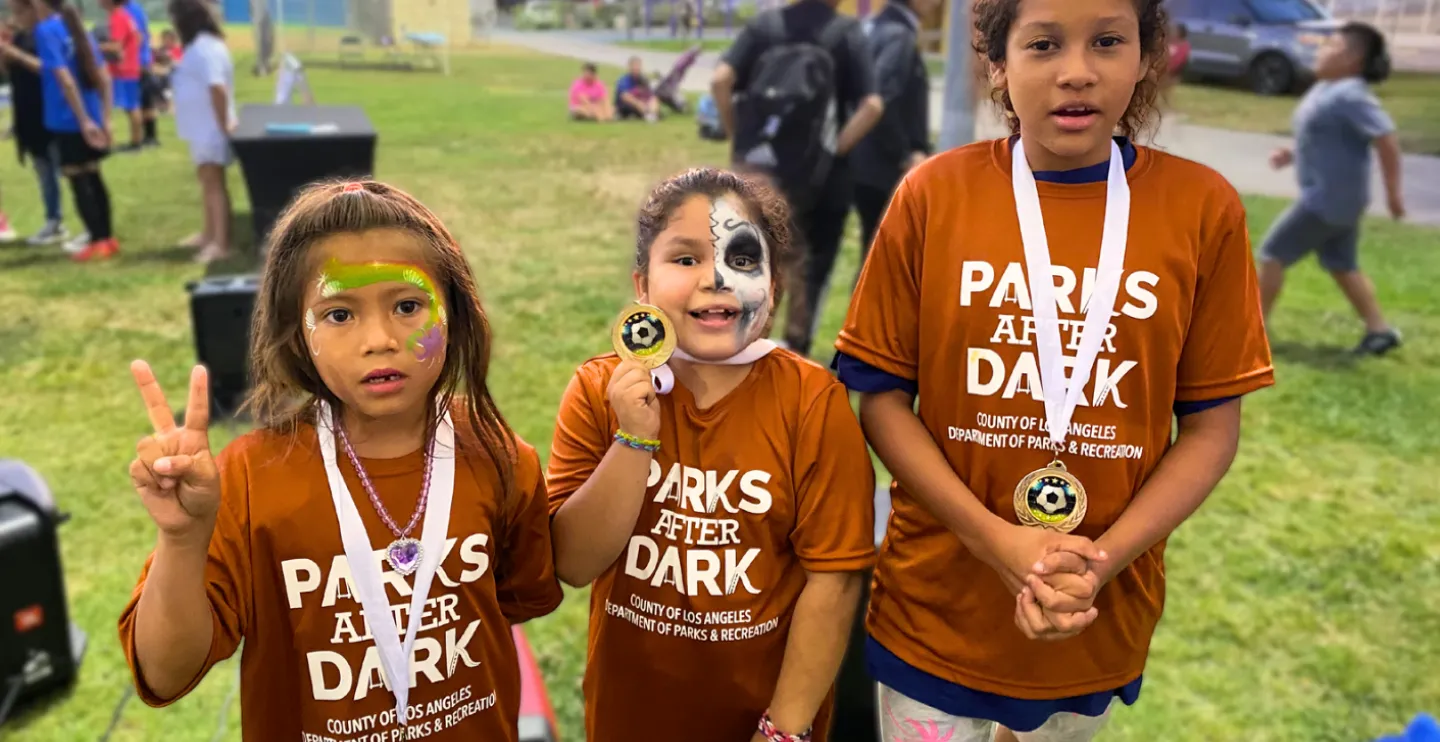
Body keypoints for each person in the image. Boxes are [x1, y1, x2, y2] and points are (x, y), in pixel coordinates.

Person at [833, 0, 1275, 740]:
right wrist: (994, 541)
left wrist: (1095, 565)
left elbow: (1209, 429)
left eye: (1108, 41)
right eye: (1043, 45)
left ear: (1144, 58)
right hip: (939, 602)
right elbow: (878, 399)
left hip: (1090, 611)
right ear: (999, 66)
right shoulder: (934, 196)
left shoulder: (1202, 209)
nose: (1077, 72)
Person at [116, 179, 564, 741]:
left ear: (455, 312)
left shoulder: (499, 456)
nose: (379, 339)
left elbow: (521, 598)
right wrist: (182, 541)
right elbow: (164, 672)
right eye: (339, 315)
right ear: (297, 336)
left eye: (407, 306)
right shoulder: (250, 477)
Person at [546, 168, 877, 742]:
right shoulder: (600, 390)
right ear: (642, 287)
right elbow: (573, 563)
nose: (717, 278)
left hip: (765, 717)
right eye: (685, 259)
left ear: (774, 287)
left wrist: (785, 727)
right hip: (632, 713)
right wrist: (633, 438)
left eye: (744, 260)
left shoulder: (811, 402)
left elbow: (835, 579)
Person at [711, 0, 884, 357]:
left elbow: (721, 80)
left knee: (752, 259)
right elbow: (872, 106)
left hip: (761, 173)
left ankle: (741, 345)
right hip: (822, 182)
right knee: (811, 269)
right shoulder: (844, 33)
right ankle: (795, 353)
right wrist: (834, 150)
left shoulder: (765, 27)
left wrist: (739, 142)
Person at [1258, 21, 1406, 356]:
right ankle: (1379, 331)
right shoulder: (1326, 89)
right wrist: (1291, 154)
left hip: (1327, 200)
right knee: (1341, 264)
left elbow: (1386, 139)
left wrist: (1394, 195)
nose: (1321, 51)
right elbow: (1324, 137)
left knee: (1272, 254)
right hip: (1337, 199)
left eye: (1332, 46)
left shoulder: (1352, 93)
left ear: (1354, 59)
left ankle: (1253, 331)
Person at [848, 0, 936, 285]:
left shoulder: (871, 26)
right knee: (882, 263)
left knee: (874, 256)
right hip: (883, 167)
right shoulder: (898, 34)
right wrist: (905, 155)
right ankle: (863, 327)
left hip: (861, 160)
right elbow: (883, 100)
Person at [35, 0, 116, 261]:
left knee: (78, 178)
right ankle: (107, 238)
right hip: (91, 113)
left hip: (68, 117)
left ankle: (96, 240)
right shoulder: (76, 25)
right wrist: (105, 117)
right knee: (94, 175)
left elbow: (65, 80)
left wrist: (82, 120)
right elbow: (103, 74)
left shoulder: (46, 30)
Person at [168, 0, 235, 264]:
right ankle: (209, 234)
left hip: (211, 129)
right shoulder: (199, 47)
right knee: (206, 182)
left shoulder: (207, 48)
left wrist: (222, 124)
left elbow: (217, 87)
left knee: (214, 184)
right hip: (201, 128)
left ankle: (221, 243)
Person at [0, 5, 67, 245]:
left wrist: (17, 55)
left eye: (19, 11)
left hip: (47, 112)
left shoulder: (46, 35)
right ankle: (53, 219)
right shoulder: (20, 36)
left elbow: (51, 70)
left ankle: (92, 227)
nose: (15, 17)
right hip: (27, 115)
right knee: (44, 172)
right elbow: (11, 71)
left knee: (66, 169)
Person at [97, 0, 144, 152]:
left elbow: (116, 46)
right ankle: (135, 142)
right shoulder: (124, 15)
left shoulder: (117, 17)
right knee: (131, 105)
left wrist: (92, 46)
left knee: (116, 106)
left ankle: (117, 143)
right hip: (128, 67)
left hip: (122, 70)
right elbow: (138, 37)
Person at [124, 0, 160, 147]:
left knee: (136, 101)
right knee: (145, 100)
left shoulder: (129, 9)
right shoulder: (135, 7)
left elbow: (137, 36)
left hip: (137, 61)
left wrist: (128, 57)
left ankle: (139, 140)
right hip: (142, 59)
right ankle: (150, 137)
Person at [615, 56, 661, 121]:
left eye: (638, 66)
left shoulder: (644, 79)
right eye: (634, 66)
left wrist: (651, 101)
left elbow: (650, 94)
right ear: (629, 67)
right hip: (626, 105)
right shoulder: (623, 80)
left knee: (654, 99)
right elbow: (625, 96)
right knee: (634, 103)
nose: (636, 68)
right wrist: (639, 104)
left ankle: (652, 114)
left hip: (643, 103)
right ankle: (647, 114)